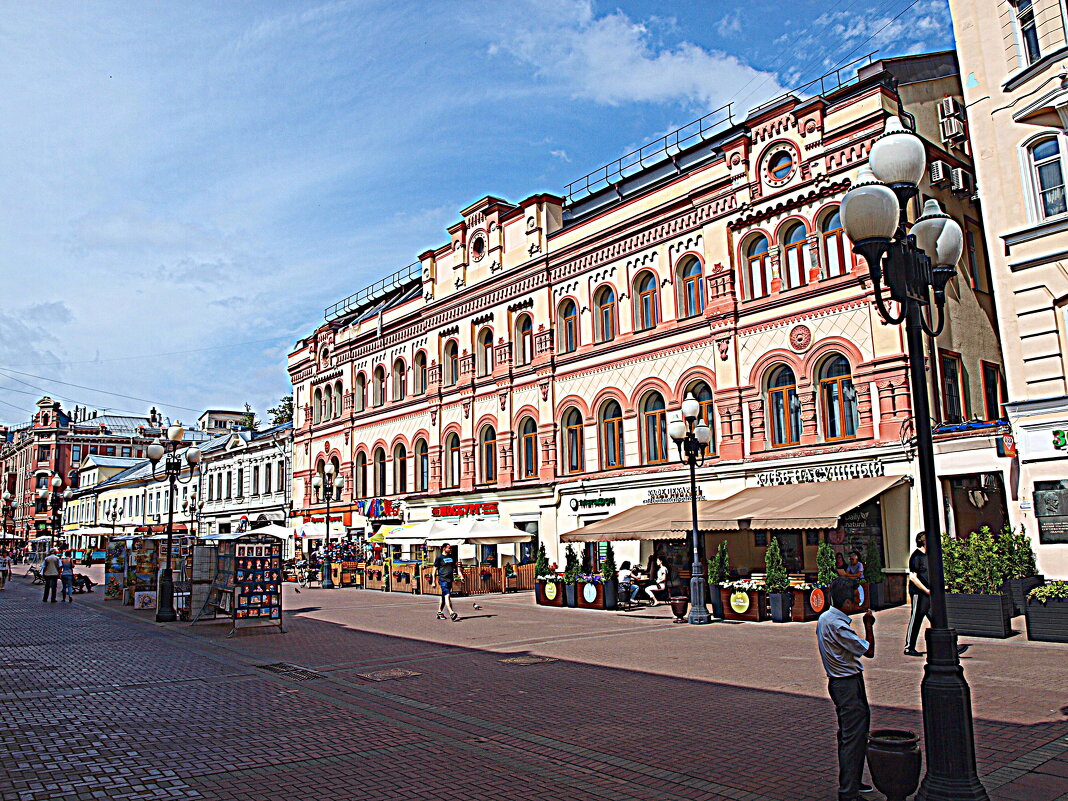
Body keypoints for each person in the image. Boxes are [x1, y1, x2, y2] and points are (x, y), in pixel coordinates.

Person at [817, 577, 876, 801]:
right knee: (853, 737)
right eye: (857, 598)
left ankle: (852, 780)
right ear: (848, 603)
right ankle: (848, 792)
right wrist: (869, 626)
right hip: (847, 684)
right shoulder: (838, 625)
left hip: (843, 682)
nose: (861, 601)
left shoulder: (826, 618)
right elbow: (868, 651)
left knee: (852, 735)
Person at [904, 531, 969, 657]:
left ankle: (948, 647)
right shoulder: (916, 557)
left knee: (937, 619)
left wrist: (938, 587)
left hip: (930, 594)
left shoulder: (928, 556)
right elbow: (913, 578)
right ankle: (909, 647)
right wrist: (926, 590)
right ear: (924, 542)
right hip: (919, 594)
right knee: (916, 619)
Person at [433, 543, 464, 621]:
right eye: (449, 548)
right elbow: (434, 570)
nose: (450, 549)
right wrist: (433, 581)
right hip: (443, 579)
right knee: (448, 595)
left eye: (451, 548)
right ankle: (451, 612)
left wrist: (460, 575)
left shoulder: (451, 557)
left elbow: (456, 567)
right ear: (444, 549)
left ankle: (439, 613)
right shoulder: (439, 558)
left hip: (450, 579)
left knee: (444, 596)